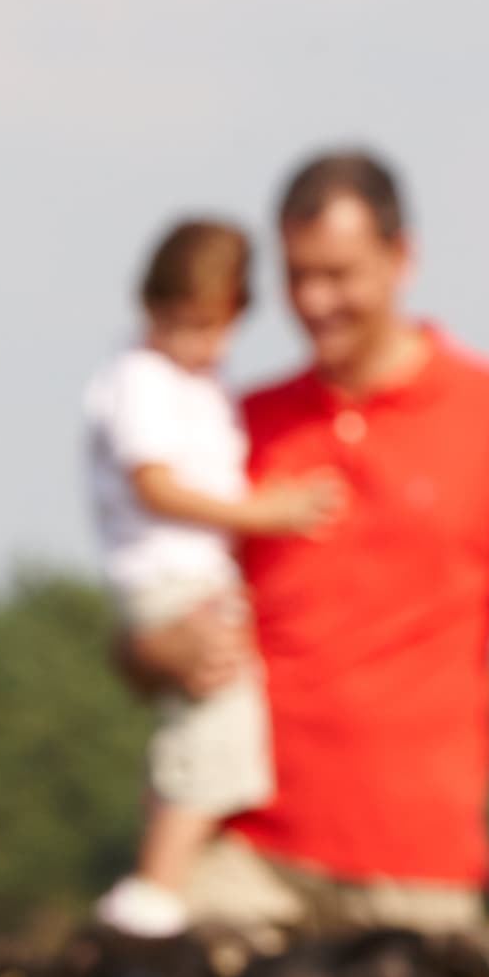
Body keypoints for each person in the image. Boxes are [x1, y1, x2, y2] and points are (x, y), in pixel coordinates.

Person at [124, 147, 489, 971]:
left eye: (340, 274)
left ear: (405, 259)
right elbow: (148, 631)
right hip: (245, 856)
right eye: (296, 277)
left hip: (417, 876)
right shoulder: (237, 424)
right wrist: (158, 652)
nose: (315, 302)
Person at [86, 218, 343, 936]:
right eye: (188, 325)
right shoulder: (142, 380)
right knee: (210, 730)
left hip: (194, 578)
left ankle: (163, 882)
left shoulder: (193, 381)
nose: (206, 345)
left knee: (210, 734)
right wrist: (263, 514)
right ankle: (155, 896)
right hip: (175, 582)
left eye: (217, 326)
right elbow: (155, 486)